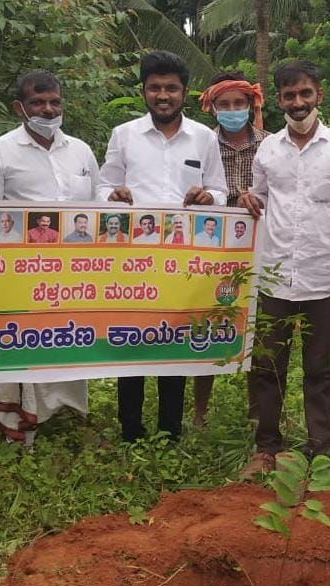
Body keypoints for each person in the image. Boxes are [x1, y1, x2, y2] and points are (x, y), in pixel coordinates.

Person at [237, 60, 330, 476]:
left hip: (325, 277)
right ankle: (267, 448)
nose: (298, 103)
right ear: (279, 100)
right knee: (267, 367)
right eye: (290, 95)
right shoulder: (268, 149)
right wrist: (246, 198)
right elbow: (258, 197)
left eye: (305, 94)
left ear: (319, 95)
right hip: (275, 275)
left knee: (318, 369)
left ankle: (320, 449)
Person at [97, 50, 227, 443]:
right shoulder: (124, 135)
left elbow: (220, 191)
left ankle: (170, 429)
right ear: (144, 92)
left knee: (175, 338)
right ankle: (130, 429)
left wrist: (210, 198)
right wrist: (112, 195)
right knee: (131, 340)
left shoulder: (205, 137)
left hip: (184, 263)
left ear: (185, 92)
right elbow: (102, 187)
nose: (163, 95)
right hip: (133, 260)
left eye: (171, 88)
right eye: (155, 87)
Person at [0, 70, 95, 444]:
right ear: (19, 107)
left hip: (76, 273)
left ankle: (69, 415)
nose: (47, 110)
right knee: (24, 345)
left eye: (54, 102)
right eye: (37, 103)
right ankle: (18, 424)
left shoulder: (80, 150)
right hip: (23, 274)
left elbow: (95, 211)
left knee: (70, 342)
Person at [192, 70, 269, 426]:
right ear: (213, 108)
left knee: (257, 326)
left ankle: (258, 410)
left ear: (251, 104)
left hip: (260, 247)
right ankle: (201, 411)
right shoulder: (200, 145)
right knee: (207, 323)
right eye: (225, 104)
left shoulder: (271, 144)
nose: (232, 110)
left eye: (239, 103)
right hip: (212, 251)